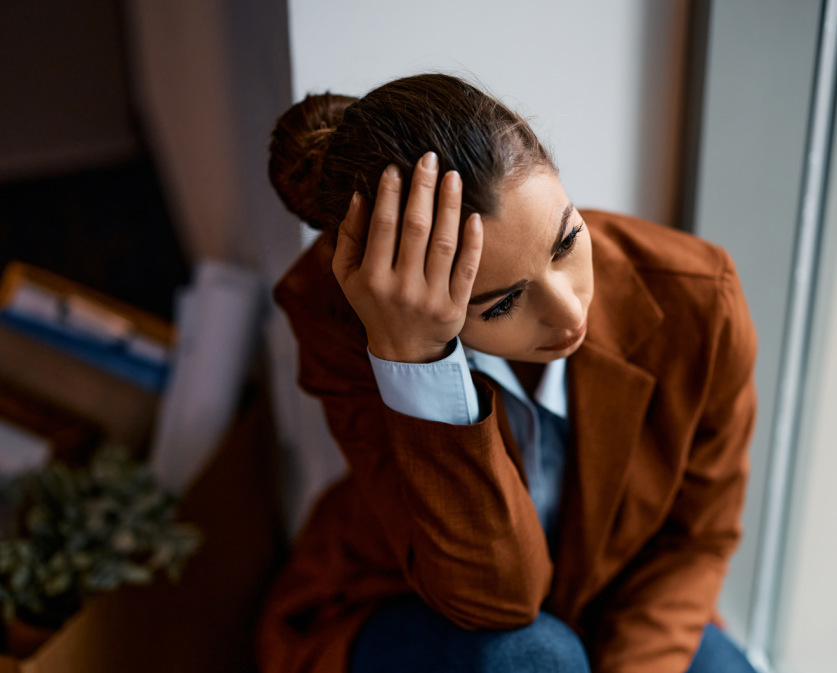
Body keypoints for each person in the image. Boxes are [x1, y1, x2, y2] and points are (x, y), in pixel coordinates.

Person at [257, 74, 758, 673]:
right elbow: (497, 600)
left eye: (567, 240)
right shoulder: (344, 318)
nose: (571, 311)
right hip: (410, 599)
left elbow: (697, 538)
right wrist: (416, 360)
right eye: (501, 304)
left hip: (613, 591)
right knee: (535, 658)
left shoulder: (698, 297)